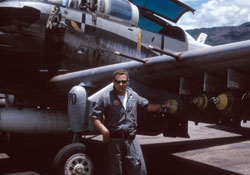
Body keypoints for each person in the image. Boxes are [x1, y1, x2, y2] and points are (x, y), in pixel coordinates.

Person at [90, 69, 167, 175]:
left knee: (138, 169)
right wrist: (104, 131)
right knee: (116, 170)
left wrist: (162, 106)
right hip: (114, 140)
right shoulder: (106, 98)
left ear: (128, 81)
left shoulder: (133, 95)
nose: (120, 84)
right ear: (113, 81)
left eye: (123, 81)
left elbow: (147, 106)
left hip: (131, 139)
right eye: (118, 82)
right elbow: (94, 117)